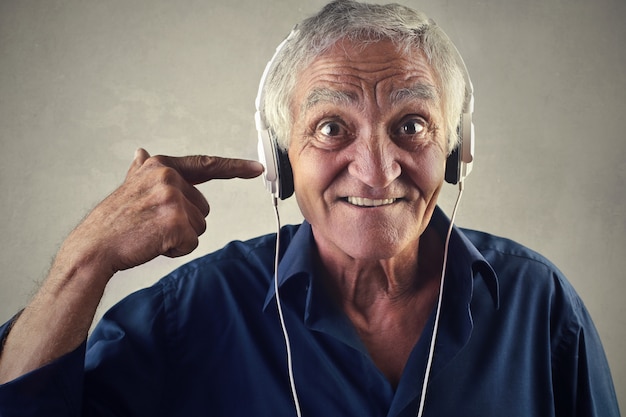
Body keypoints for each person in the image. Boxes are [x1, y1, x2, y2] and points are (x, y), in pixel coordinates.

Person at [0, 1, 620, 416]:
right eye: (330, 128)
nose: (377, 171)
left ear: (457, 149)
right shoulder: (190, 315)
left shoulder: (540, 306)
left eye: (411, 124)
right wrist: (88, 258)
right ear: (281, 154)